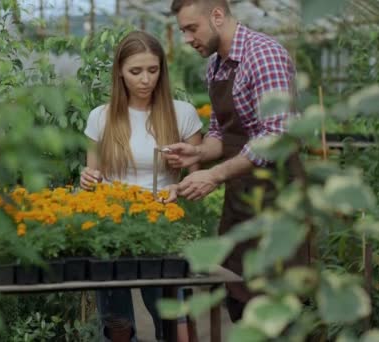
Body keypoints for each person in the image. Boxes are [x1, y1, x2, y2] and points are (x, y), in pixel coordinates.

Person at [164, 0, 311, 322]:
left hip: (277, 201)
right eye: (183, 31)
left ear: (217, 15)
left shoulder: (263, 56)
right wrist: (199, 153)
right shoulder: (216, 65)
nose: (187, 39)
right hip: (242, 199)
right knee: (240, 298)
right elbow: (221, 132)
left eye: (192, 28)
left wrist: (214, 176)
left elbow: (278, 135)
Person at [79, 30, 203, 342]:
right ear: (119, 72)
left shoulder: (182, 114)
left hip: (161, 224)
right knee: (117, 321)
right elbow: (91, 178)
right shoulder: (101, 118)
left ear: (162, 70)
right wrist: (87, 177)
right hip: (112, 225)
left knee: (174, 315)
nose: (145, 79)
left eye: (153, 70)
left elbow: (195, 180)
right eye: (136, 71)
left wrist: (183, 175)